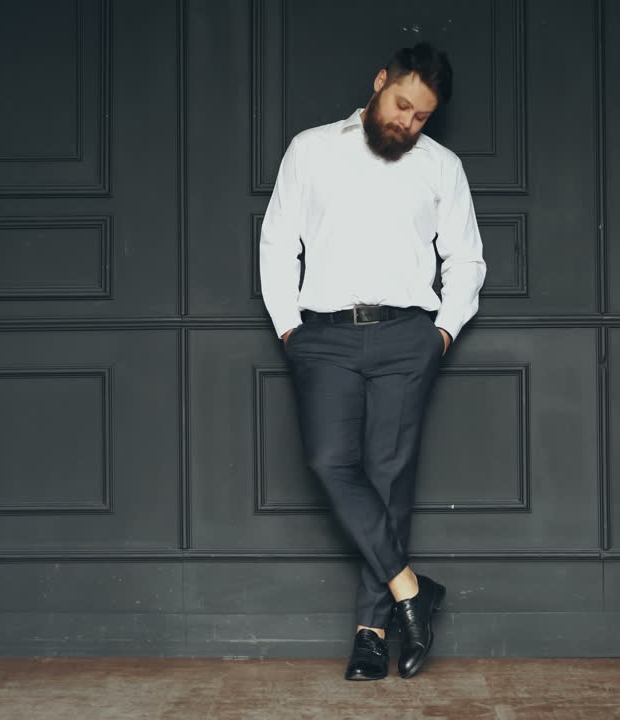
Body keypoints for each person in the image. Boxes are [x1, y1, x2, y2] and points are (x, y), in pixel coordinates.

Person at [258, 41, 486, 680]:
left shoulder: (441, 167)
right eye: (401, 105)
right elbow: (278, 242)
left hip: (407, 338)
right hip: (323, 336)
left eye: (419, 117)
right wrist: (289, 329)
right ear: (380, 82)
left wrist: (441, 332)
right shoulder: (311, 150)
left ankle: (370, 631)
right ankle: (413, 592)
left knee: (388, 476)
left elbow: (466, 258)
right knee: (330, 462)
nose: (405, 123)